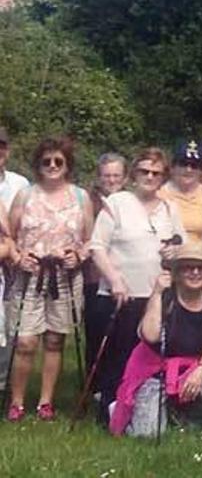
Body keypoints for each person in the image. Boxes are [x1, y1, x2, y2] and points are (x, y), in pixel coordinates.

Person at [89, 148, 184, 422]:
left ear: (163, 177)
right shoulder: (117, 202)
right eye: (144, 171)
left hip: (156, 296)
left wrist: (173, 253)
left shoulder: (169, 208)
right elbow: (97, 246)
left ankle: (142, 412)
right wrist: (115, 279)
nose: (150, 177)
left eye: (156, 173)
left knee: (148, 360)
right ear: (134, 174)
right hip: (121, 294)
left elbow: (180, 244)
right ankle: (110, 411)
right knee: (117, 358)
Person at [5, 136, 94, 421]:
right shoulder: (25, 195)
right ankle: (16, 402)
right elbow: (8, 236)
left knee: (55, 340)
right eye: (47, 161)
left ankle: (46, 401)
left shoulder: (81, 197)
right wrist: (19, 258)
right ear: (38, 165)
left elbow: (91, 241)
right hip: (29, 275)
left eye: (59, 161)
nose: (53, 166)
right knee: (25, 341)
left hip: (65, 277)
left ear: (67, 165)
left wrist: (78, 256)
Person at [108, 242, 202, 437]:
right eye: (188, 267)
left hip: (189, 369)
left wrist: (200, 372)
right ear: (177, 272)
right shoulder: (165, 298)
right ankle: (123, 410)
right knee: (148, 435)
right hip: (154, 373)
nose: (195, 272)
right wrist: (157, 294)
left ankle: (186, 415)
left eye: (201, 268)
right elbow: (149, 335)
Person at [84, 153, 128, 379]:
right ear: (99, 177)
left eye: (116, 175)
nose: (111, 180)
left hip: (124, 277)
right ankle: (94, 384)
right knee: (95, 331)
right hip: (93, 277)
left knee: (121, 335)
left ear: (125, 177)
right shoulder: (90, 202)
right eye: (107, 175)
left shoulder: (131, 202)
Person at [0, 126, 29, 393]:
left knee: (8, 331)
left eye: (1, 146)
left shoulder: (20, 185)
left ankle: (2, 387)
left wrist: (15, 253)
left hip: (14, 268)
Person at [159, 141, 202, 257]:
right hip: (169, 259)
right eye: (183, 164)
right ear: (173, 167)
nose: (189, 169)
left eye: (194, 166)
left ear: (200, 170)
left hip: (199, 260)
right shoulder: (160, 194)